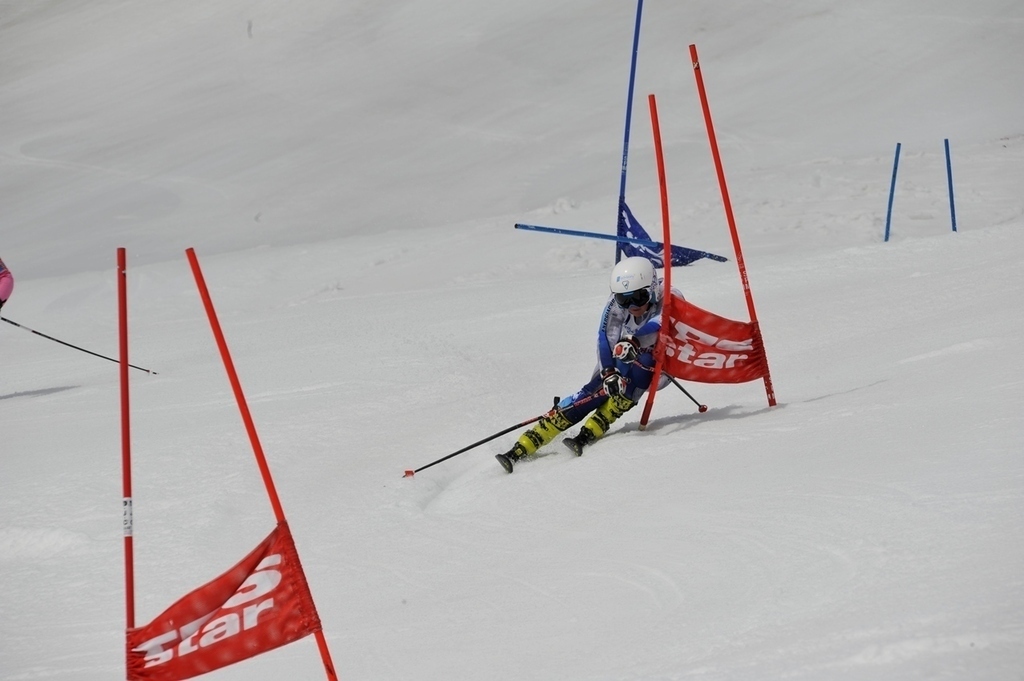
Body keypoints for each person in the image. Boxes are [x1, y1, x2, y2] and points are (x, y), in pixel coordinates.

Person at [496, 256, 680, 473]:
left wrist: (636, 341)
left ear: (653, 288)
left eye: (639, 297)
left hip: (660, 364)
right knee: (596, 391)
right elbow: (605, 337)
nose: (631, 306)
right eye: (623, 300)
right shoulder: (615, 305)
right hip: (626, 352)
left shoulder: (671, 296)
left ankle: (606, 416)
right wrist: (609, 372)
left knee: (641, 366)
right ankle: (532, 439)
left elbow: (660, 323)